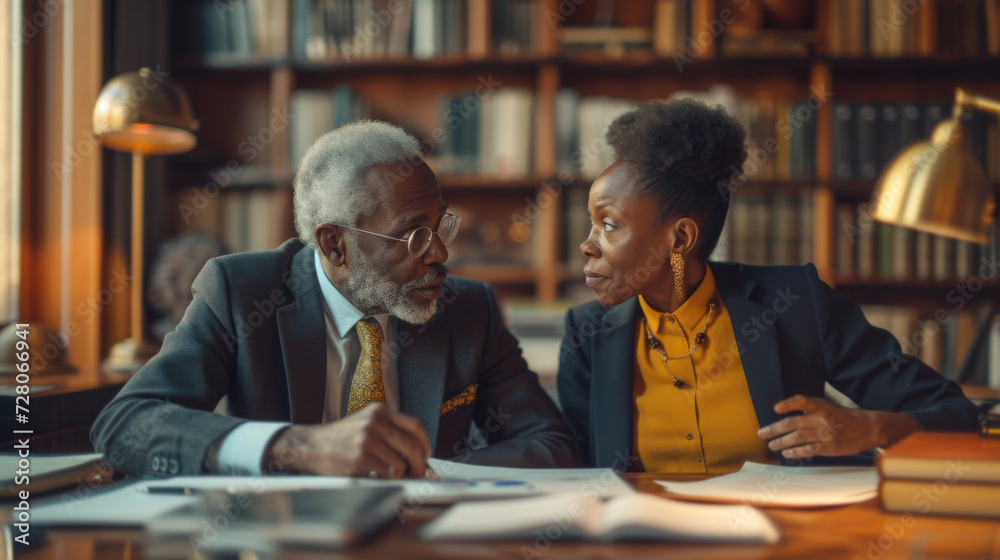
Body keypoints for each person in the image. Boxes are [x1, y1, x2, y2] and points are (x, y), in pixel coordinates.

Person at [93, 120, 577, 478]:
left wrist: (421, 471)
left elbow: (549, 443)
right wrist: (295, 446)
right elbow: (125, 425)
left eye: (441, 224)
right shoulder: (241, 293)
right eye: (413, 235)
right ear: (333, 245)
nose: (441, 253)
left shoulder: (469, 309)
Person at [557, 99, 980, 473]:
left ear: (680, 238)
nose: (587, 245)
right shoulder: (586, 333)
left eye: (608, 225)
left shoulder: (795, 303)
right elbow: (577, 471)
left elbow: (956, 414)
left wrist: (870, 428)